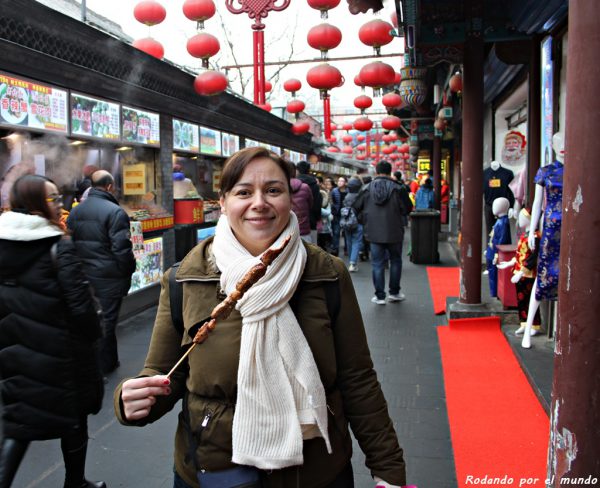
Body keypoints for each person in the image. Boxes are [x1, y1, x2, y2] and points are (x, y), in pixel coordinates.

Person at [114, 147, 407, 488]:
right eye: (243, 192)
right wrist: (131, 399)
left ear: (290, 197)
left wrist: (387, 467)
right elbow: (165, 375)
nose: (259, 203)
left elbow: (358, 378)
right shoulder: (185, 280)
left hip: (314, 471)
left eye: (273, 190)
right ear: (223, 202)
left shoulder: (326, 274)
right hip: (217, 467)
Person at [0, 174, 105, 488]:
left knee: (18, 423)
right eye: (52, 198)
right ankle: (76, 482)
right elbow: (81, 306)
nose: (59, 203)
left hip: (14, 349)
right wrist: (95, 332)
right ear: (33, 204)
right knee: (73, 417)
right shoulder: (58, 245)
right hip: (63, 351)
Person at [67, 170, 136, 375]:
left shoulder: (75, 211)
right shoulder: (115, 212)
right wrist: (128, 270)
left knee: (95, 319)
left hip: (84, 275)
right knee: (107, 322)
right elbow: (122, 250)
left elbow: (69, 244)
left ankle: (109, 360)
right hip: (109, 278)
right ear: (109, 187)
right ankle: (102, 366)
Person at [520, 132, 564, 349]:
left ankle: (562, 329)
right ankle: (527, 328)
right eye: (558, 143)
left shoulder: (579, 168)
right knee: (543, 272)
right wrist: (531, 230)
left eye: (566, 142)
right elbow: (537, 203)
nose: (563, 147)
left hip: (574, 227)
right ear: (553, 147)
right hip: (551, 227)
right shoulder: (546, 171)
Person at [353, 161, 411, 305]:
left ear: (377, 172)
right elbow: (407, 208)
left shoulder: (366, 188)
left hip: (373, 232)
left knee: (377, 264)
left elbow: (355, 207)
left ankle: (379, 296)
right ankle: (394, 292)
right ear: (390, 172)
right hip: (395, 230)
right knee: (396, 261)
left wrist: (365, 221)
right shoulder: (399, 188)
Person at [485, 197, 511, 298]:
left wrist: (497, 253)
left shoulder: (504, 222)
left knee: (495, 274)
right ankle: (493, 291)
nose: (493, 208)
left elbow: (502, 239)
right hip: (492, 251)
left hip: (495, 252)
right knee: (492, 273)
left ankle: (495, 292)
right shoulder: (500, 221)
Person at [295, 160, 322, 244]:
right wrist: (317, 218)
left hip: (296, 222)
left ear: (298, 170)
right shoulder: (315, 185)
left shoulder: (293, 184)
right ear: (308, 170)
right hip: (311, 221)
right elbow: (317, 205)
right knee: (312, 250)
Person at [341, 177, 363, 272]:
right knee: (356, 242)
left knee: (349, 241)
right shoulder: (360, 196)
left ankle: (351, 260)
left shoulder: (347, 196)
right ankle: (353, 263)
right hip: (357, 222)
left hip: (347, 222)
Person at [288, 161, 314, 242]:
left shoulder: (278, 188)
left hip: (286, 232)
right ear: (295, 171)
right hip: (304, 230)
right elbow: (310, 205)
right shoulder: (305, 187)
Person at [330, 176, 348, 256]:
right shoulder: (334, 191)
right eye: (339, 181)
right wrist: (333, 211)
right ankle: (335, 249)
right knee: (336, 232)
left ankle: (346, 249)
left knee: (346, 233)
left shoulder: (348, 191)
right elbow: (331, 201)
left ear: (345, 183)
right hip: (336, 214)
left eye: (342, 181)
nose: (340, 182)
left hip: (346, 215)